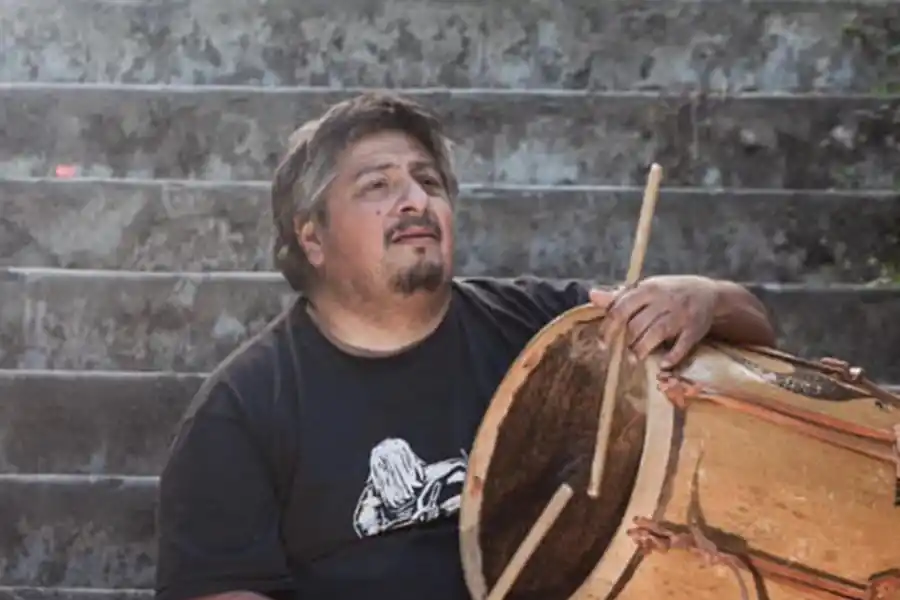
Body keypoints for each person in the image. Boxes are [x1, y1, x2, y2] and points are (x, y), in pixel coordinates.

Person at [154, 92, 776, 600]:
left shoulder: (548, 331)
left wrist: (702, 298)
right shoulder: (243, 409)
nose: (416, 200)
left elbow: (754, 331)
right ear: (312, 238)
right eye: (377, 186)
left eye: (428, 181)